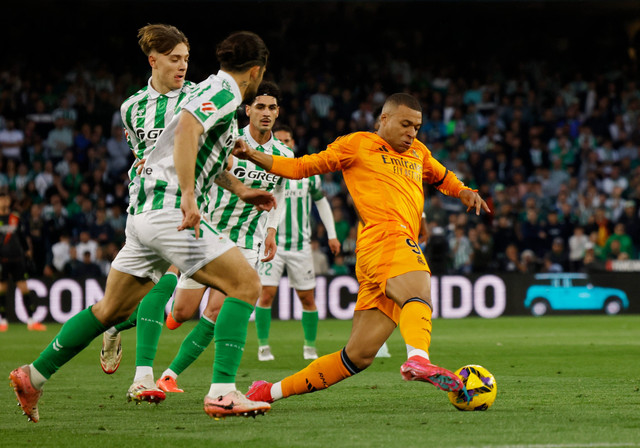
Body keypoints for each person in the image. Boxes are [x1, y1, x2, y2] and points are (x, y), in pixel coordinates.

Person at [10, 30, 274, 423]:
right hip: (169, 209)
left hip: (143, 212)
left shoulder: (204, 93)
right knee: (247, 285)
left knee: (110, 309)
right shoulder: (222, 93)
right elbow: (186, 132)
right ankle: (222, 391)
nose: (182, 65)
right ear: (257, 71)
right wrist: (188, 194)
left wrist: (240, 189)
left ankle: (34, 375)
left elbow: (197, 156)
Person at [234, 93, 490, 407]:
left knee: (357, 356)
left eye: (417, 127)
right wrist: (251, 155)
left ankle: (267, 391)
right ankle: (418, 358)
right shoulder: (357, 145)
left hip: (379, 255)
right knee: (419, 292)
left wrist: (464, 191)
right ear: (384, 119)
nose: (412, 133)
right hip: (385, 237)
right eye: (405, 124)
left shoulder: (418, 152)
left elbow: (443, 177)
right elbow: (301, 166)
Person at [154, 81, 292, 393]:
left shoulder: (283, 154)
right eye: (260, 106)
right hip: (209, 231)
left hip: (246, 241)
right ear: (248, 110)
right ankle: (163, 307)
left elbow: (279, 194)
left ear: (278, 112)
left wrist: (271, 231)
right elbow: (207, 168)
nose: (266, 113)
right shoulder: (229, 139)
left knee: (214, 313)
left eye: (271, 107)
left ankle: (169, 375)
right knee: (181, 312)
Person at [99, 23, 197, 383]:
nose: (183, 66)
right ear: (154, 61)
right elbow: (142, 153)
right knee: (165, 282)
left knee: (177, 306)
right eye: (175, 59)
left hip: (193, 201)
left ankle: (115, 324)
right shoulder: (132, 108)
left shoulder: (198, 96)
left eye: (186, 58)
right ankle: (143, 379)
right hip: (153, 204)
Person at [253, 125, 341, 362]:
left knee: (307, 298)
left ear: (292, 144)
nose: (283, 144)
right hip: (273, 244)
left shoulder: (306, 175)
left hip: (301, 246)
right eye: (279, 140)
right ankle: (263, 347)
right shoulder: (263, 172)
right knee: (266, 295)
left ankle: (310, 347)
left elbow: (322, 202)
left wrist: (331, 234)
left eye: (287, 140)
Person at [0, 193, 47, 332]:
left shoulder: (15, 218)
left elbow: (21, 236)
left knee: (24, 289)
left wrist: (27, 251)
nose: (4, 201)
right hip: (2, 260)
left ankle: (31, 321)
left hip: (17, 259)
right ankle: (3, 321)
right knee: (2, 289)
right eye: (2, 198)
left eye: (6, 198)